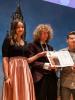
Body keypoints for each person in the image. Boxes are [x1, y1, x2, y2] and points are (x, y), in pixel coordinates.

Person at [2, 20, 46, 100]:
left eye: (22, 27)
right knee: (13, 91)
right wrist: (6, 77)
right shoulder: (8, 40)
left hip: (25, 71)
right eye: (18, 27)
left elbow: (28, 60)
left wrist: (39, 55)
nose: (21, 29)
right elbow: (5, 59)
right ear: (14, 28)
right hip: (13, 70)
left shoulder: (25, 43)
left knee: (24, 92)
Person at [26, 24, 58, 100]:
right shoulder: (32, 45)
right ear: (38, 34)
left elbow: (53, 62)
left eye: (47, 33)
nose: (46, 35)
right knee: (40, 98)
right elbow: (31, 62)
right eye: (43, 33)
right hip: (40, 77)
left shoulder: (50, 47)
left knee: (52, 97)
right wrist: (45, 65)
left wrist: (56, 65)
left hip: (52, 77)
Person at [60, 31, 75, 100]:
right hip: (65, 84)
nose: (74, 40)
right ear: (67, 40)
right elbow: (57, 68)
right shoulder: (61, 52)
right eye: (71, 38)